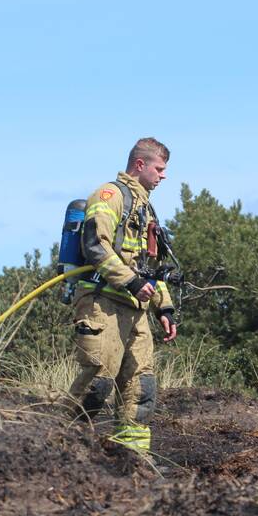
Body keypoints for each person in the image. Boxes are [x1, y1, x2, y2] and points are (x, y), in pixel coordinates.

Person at [67, 137, 178, 454]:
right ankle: (61, 448)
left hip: (137, 310)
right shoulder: (110, 195)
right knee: (96, 383)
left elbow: (150, 265)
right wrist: (130, 281)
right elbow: (95, 246)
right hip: (103, 302)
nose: (163, 176)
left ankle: (132, 460)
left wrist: (164, 308)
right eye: (159, 168)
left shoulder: (146, 208)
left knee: (141, 387)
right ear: (140, 165)